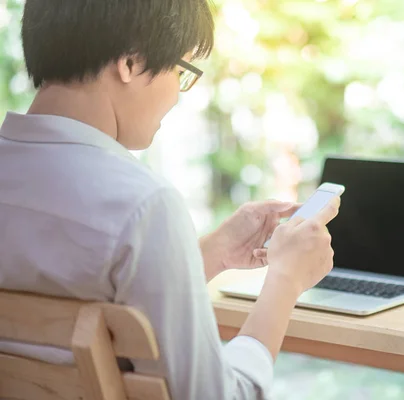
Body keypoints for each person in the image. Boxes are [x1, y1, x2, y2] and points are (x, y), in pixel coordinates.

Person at [0, 1, 340, 399]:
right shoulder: (142, 204)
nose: (177, 96)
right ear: (130, 62)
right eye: (181, 71)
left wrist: (209, 254)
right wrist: (285, 280)